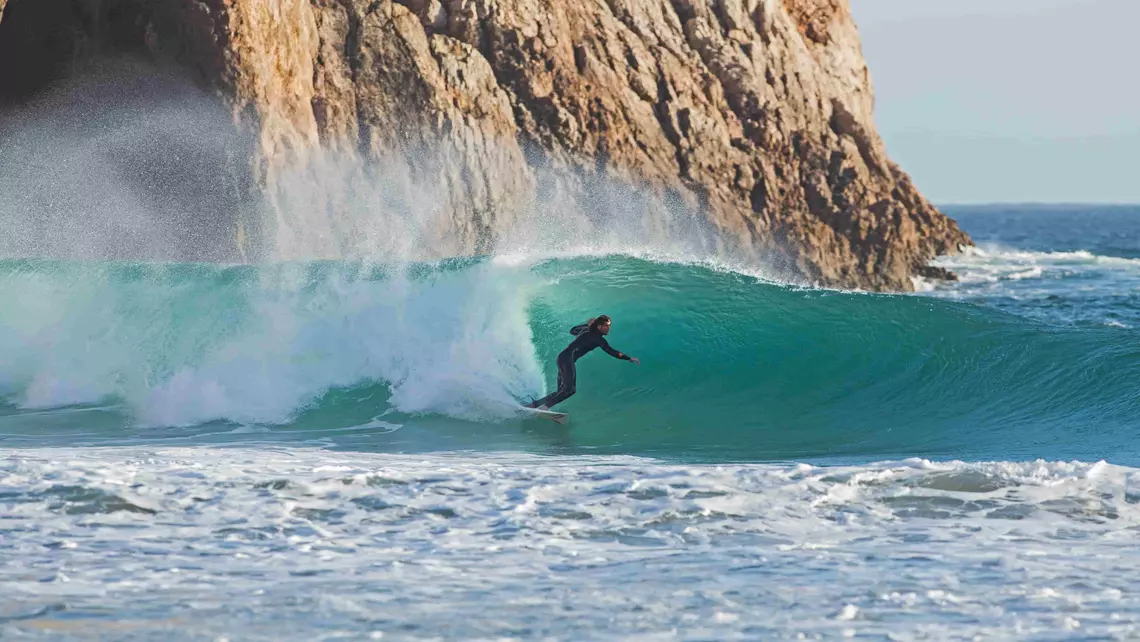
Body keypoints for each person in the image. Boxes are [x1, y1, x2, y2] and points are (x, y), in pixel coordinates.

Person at [525, 315, 640, 410]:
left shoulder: (586, 330)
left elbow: (573, 330)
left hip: (562, 358)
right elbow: (612, 352)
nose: (608, 329)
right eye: (606, 326)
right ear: (599, 326)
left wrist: (586, 324)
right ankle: (544, 407)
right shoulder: (598, 339)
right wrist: (628, 358)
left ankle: (534, 405)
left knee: (561, 391)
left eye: (609, 326)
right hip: (567, 360)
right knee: (569, 391)